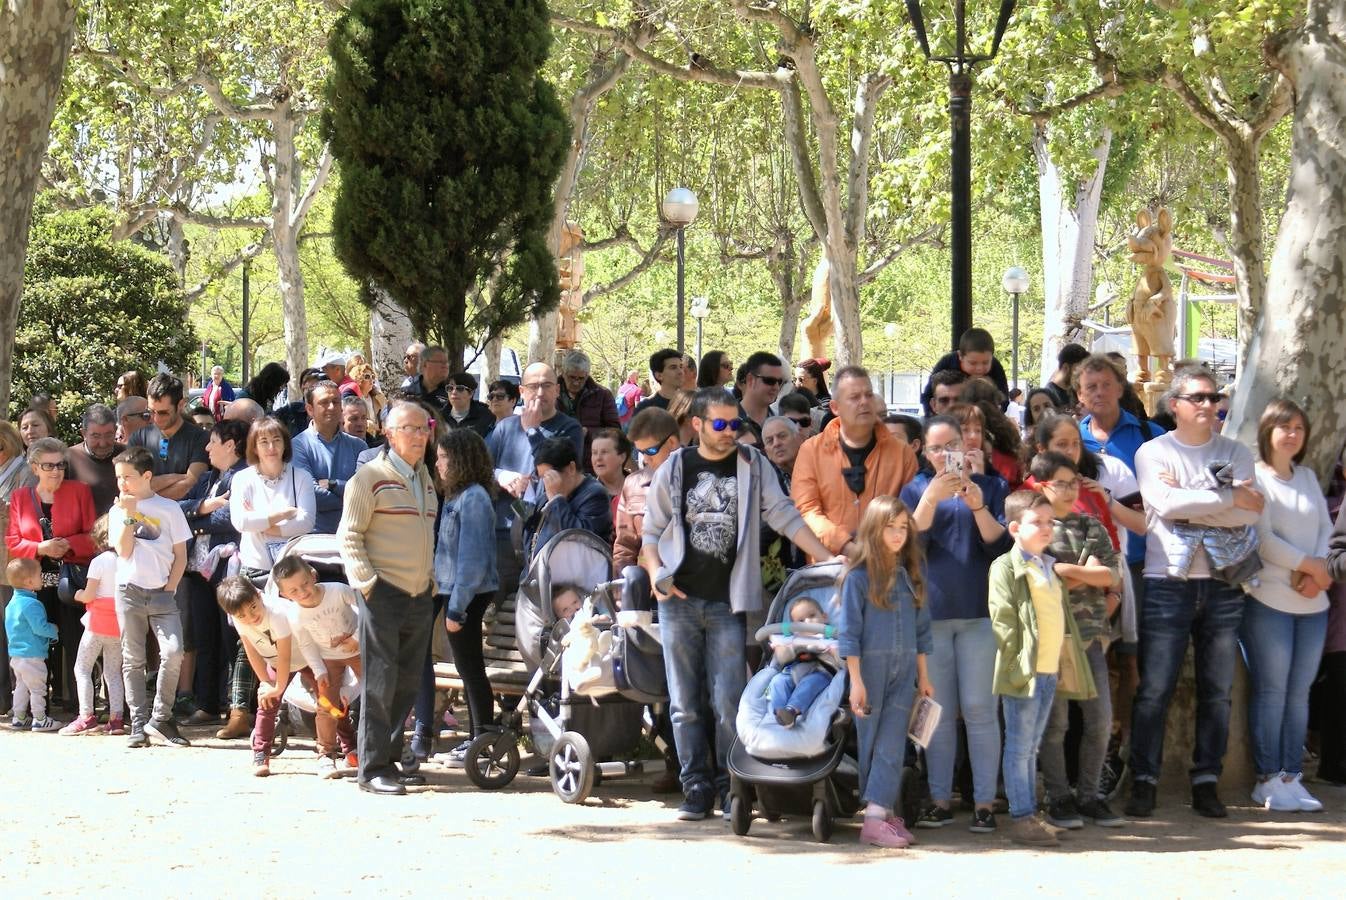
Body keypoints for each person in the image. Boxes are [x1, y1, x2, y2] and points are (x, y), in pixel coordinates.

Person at [641, 387, 833, 820]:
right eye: (721, 424)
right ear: (698, 425)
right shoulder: (675, 467)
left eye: (735, 424)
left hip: (728, 602)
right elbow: (651, 531)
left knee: (729, 700)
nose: (730, 432)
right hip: (679, 601)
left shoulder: (752, 463)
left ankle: (733, 788)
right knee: (684, 702)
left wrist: (826, 557)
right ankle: (695, 787)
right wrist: (655, 572)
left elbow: (782, 515)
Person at [1126, 366, 1261, 819]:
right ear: (1175, 405)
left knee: (1217, 691)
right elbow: (1163, 506)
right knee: (1154, 690)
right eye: (1199, 397)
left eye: (1214, 396)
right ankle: (1143, 780)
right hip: (1168, 583)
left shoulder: (1237, 452)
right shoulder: (1152, 452)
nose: (1209, 404)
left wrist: (1192, 500)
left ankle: (1207, 781)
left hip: (1224, 582)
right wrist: (1226, 498)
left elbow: (1252, 513)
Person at [902, 415, 1011, 833]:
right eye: (936, 449)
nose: (945, 455)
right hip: (931, 617)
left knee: (982, 710)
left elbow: (1001, 545)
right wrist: (931, 498)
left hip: (981, 615)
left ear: (966, 446)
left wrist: (977, 502)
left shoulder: (994, 486)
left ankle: (984, 802)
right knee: (936, 712)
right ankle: (938, 798)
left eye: (952, 446)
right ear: (925, 453)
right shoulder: (914, 489)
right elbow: (909, 542)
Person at [338, 401, 439, 795]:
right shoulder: (369, 477)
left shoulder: (425, 478)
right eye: (410, 429)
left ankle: (390, 759)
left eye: (424, 428)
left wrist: (429, 583)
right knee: (380, 682)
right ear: (389, 434)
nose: (419, 436)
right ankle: (372, 768)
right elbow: (349, 535)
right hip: (383, 592)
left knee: (407, 682)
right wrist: (367, 583)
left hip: (419, 594)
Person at [989, 490, 1097, 847]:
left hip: (1048, 671)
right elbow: (1004, 621)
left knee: (1031, 747)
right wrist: (1023, 663)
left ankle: (1029, 814)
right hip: (1025, 672)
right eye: (1038, 522)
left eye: (1051, 521)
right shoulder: (1005, 567)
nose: (1047, 528)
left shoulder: (1047, 565)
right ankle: (1021, 819)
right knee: (1020, 748)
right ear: (1015, 527)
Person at [1242, 399, 1332, 813]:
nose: (1293, 433)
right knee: (1272, 691)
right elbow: (1262, 538)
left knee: (1299, 694)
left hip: (1314, 601)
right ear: (1267, 431)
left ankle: (1292, 776)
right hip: (1269, 599)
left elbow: (1328, 532)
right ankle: (1268, 777)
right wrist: (1308, 565)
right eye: (1284, 426)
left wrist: (1319, 573)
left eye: (1299, 427)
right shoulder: (1255, 478)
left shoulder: (1310, 477)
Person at [1029, 452, 1124, 829]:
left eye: (1073, 483)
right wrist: (1084, 572)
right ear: (1040, 486)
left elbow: (1112, 576)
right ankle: (1059, 797)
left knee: (1100, 721)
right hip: (1051, 642)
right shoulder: (1036, 529)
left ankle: (1088, 795)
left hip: (1089, 641)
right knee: (1056, 726)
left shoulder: (1090, 526)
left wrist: (1070, 572)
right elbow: (1039, 577)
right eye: (1060, 484)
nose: (1069, 491)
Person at [837, 496, 934, 848]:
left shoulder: (910, 578)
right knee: (872, 743)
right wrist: (856, 681)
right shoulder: (858, 579)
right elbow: (848, 633)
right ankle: (876, 814)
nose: (897, 535)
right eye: (889, 527)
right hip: (870, 670)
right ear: (873, 530)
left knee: (894, 742)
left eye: (902, 528)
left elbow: (923, 632)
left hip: (905, 670)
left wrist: (923, 677)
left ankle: (879, 813)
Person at [110, 445, 193, 748]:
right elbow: (123, 550)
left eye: (128, 477)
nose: (122, 484)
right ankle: (138, 721)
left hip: (161, 594)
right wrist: (130, 516)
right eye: (119, 478)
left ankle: (161, 717)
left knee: (173, 652)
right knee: (133, 659)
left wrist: (169, 587)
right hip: (128, 592)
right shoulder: (117, 510)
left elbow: (180, 554)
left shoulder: (169, 508)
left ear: (146, 476)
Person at [5, 437, 97, 711]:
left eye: (60, 465)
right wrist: (41, 547)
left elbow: (94, 536)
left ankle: (75, 702)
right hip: (32, 583)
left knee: (73, 638)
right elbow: (13, 540)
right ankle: (36, 706)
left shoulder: (80, 491)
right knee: (34, 640)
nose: (56, 471)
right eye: (48, 466)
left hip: (72, 580)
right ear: (34, 468)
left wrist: (68, 544)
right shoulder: (21, 497)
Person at [792, 366, 919, 559]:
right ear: (835, 408)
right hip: (829, 569)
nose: (864, 403)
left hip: (888, 567)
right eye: (854, 397)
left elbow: (910, 511)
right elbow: (806, 511)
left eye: (868, 395)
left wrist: (878, 550)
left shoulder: (902, 453)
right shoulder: (811, 451)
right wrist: (846, 547)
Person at [486, 363, 583, 613]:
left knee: (540, 613)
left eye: (546, 385)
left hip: (546, 533)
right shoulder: (505, 427)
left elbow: (563, 476)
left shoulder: (569, 428)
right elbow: (479, 469)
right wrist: (501, 475)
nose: (540, 392)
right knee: (497, 613)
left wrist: (532, 430)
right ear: (521, 390)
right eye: (533, 386)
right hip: (504, 531)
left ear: (557, 390)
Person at [428, 428, 499, 766]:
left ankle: (483, 740)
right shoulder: (457, 496)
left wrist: (456, 609)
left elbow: (472, 559)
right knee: (467, 667)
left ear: (459, 459)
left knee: (471, 669)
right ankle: (478, 738)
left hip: (468, 595)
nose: (438, 464)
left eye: (443, 457)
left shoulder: (474, 498)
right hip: (454, 592)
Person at [177, 418, 249, 725]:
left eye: (213, 442)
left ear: (231, 445)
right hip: (198, 572)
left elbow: (231, 520)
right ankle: (207, 703)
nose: (207, 447)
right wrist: (204, 506)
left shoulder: (244, 477)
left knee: (231, 638)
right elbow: (179, 509)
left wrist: (198, 517)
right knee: (205, 637)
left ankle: (236, 707)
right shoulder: (208, 479)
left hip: (228, 571)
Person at [214, 576, 321, 777]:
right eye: (241, 614)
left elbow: (285, 656)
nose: (250, 616)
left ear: (259, 595)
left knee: (327, 698)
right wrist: (265, 682)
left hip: (307, 655)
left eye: (253, 607)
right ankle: (261, 753)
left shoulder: (278, 612)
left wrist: (277, 687)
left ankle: (344, 746)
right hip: (277, 660)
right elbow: (251, 650)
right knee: (266, 700)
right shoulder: (240, 620)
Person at [271, 556, 362, 777]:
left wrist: (359, 637)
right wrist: (319, 670)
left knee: (377, 694)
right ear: (284, 594)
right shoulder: (295, 614)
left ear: (313, 575)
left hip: (359, 650)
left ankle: (378, 746)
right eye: (293, 591)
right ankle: (326, 754)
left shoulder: (338, 590)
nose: (302, 592)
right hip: (328, 658)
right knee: (326, 706)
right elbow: (306, 643)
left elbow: (366, 609)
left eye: (304, 584)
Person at [229, 418, 317, 580]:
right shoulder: (242, 479)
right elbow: (241, 522)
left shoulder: (301, 477)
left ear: (285, 444)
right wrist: (283, 514)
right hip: (255, 569)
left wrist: (261, 524)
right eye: (264, 442)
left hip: (294, 569)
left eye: (277, 440)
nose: (271, 447)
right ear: (254, 447)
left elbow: (306, 522)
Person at [61, 516, 125, 735]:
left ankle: (86, 716)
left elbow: (89, 594)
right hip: (118, 624)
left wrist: (74, 594)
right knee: (113, 672)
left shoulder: (99, 562)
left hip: (96, 623)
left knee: (82, 668)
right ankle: (117, 719)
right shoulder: (126, 559)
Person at [291, 380, 367, 535]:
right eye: (324, 403)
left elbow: (366, 493)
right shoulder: (298, 446)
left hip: (355, 535)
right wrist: (352, 497)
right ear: (310, 409)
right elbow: (310, 495)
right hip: (313, 537)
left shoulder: (359, 447)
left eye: (335, 401)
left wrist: (334, 485)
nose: (332, 407)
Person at [522, 437, 613, 560]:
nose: (546, 483)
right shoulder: (546, 496)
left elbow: (577, 539)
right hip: (541, 573)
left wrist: (556, 500)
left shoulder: (595, 495)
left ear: (571, 468)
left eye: (549, 476)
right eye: (542, 477)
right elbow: (528, 538)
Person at [613, 409, 679, 575]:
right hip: (648, 586)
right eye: (640, 452)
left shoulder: (700, 479)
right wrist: (625, 587)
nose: (645, 459)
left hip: (692, 586)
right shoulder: (633, 483)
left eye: (650, 451)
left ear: (672, 442)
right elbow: (624, 547)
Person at [128, 373, 210, 502]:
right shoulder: (138, 438)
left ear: (181, 405)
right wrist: (178, 477)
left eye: (163, 413)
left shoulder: (200, 438)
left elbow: (192, 484)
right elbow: (132, 486)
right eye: (151, 412)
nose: (156, 418)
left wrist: (146, 491)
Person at [5, 557, 61, 731]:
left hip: (16, 655)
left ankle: (19, 717)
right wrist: (54, 630)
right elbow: (40, 628)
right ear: (29, 582)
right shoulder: (32, 604)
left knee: (21, 686)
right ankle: (40, 718)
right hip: (33, 655)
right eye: (39, 575)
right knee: (38, 689)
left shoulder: (11, 604)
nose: (42, 578)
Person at [767, 597, 834, 727]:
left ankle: (791, 711)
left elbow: (840, 658)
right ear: (794, 627)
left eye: (812, 615)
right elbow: (782, 659)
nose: (808, 622)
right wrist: (784, 648)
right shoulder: (793, 638)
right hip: (793, 673)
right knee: (778, 681)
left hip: (821, 673)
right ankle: (778, 714)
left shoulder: (830, 635)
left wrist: (828, 650)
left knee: (810, 683)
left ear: (824, 617)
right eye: (801, 621)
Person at [0, 421, 28, 708]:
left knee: (11, 628)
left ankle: (15, 696)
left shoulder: (24, 471)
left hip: (11, 560)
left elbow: (20, 512)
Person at [920, 328, 1010, 415]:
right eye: (973, 363)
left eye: (986, 363)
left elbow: (1004, 399)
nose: (979, 368)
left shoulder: (996, 367)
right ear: (960, 356)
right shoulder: (947, 363)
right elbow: (928, 395)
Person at [65, 404, 123, 517]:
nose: (102, 443)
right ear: (83, 434)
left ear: (115, 430)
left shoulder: (127, 455)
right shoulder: (67, 459)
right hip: (82, 532)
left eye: (108, 435)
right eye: (95, 436)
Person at [559, 350, 620, 435]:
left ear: (587, 375)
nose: (576, 383)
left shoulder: (603, 395)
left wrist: (588, 432)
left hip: (590, 446)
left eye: (581, 378)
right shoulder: (551, 392)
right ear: (563, 373)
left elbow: (615, 431)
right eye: (572, 377)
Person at [737, 352, 786, 442]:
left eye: (779, 381)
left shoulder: (782, 421)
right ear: (751, 380)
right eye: (769, 380)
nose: (776, 387)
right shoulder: (724, 422)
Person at [590, 428, 629, 520]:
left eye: (604, 452)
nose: (598, 458)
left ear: (622, 457)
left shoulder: (640, 487)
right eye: (594, 453)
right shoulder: (588, 494)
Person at [401, 344, 451, 414]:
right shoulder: (408, 391)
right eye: (439, 362)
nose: (445, 366)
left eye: (446, 362)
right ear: (424, 364)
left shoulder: (454, 391)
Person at [443, 372, 495, 438]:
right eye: (450, 388)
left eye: (460, 389)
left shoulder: (486, 416)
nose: (454, 392)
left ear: (471, 393)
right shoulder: (439, 416)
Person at [633, 349, 685, 415]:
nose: (680, 372)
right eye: (673, 367)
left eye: (681, 367)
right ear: (659, 375)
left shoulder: (691, 405)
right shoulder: (645, 409)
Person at [1041, 343, 1090, 411]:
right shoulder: (1048, 396)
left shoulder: (1076, 392)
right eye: (1078, 369)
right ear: (1066, 368)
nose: (1081, 374)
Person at [761, 416, 804, 483]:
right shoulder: (767, 483)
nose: (776, 443)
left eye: (782, 436)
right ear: (767, 452)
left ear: (799, 439)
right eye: (770, 441)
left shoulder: (820, 465)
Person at [348, 362, 387, 435]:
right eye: (367, 377)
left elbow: (386, 415)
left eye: (372, 377)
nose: (371, 380)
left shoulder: (378, 397)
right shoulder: (354, 400)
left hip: (380, 437)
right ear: (358, 379)